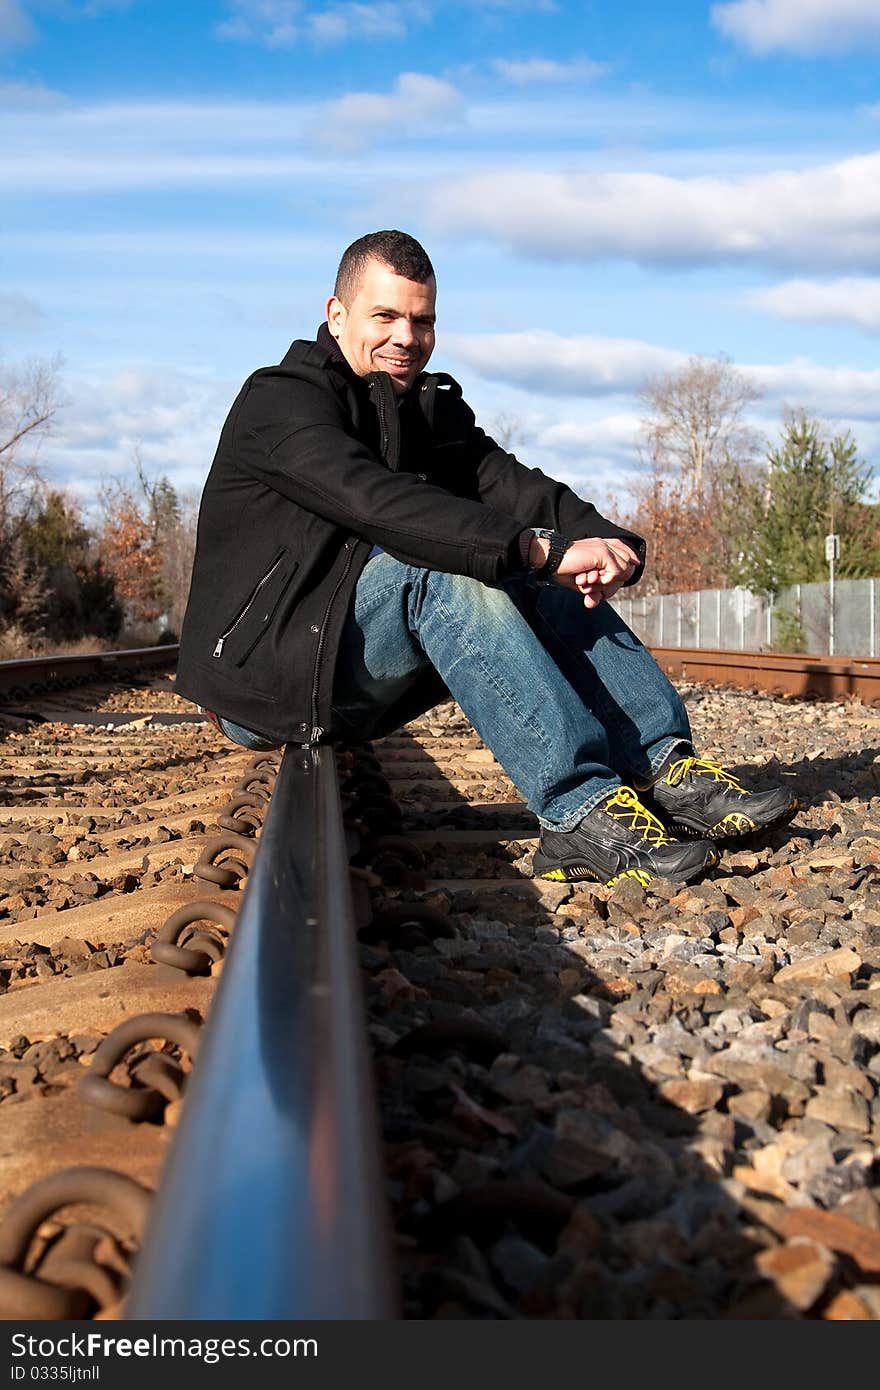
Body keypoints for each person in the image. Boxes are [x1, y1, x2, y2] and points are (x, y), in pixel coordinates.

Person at [175, 229, 797, 888]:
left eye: (421, 320)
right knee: (451, 568)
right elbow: (376, 503)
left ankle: (667, 771)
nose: (405, 337)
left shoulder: (422, 409)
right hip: (267, 676)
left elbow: (507, 483)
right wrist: (532, 550)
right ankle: (579, 812)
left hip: (345, 655)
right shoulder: (282, 402)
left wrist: (606, 542)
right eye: (384, 316)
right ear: (337, 315)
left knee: (539, 572)